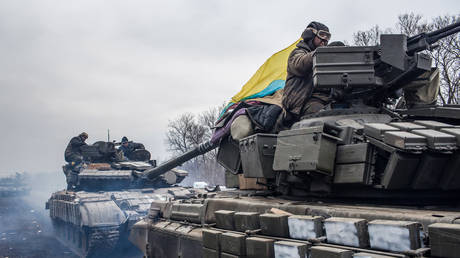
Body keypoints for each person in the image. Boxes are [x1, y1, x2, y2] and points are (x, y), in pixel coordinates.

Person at [282, 21, 331, 126]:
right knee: (322, 120)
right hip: (302, 102)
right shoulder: (297, 53)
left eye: (328, 37)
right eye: (322, 35)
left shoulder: (326, 57)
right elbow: (299, 64)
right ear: (310, 35)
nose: (325, 40)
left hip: (324, 99)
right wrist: (320, 53)